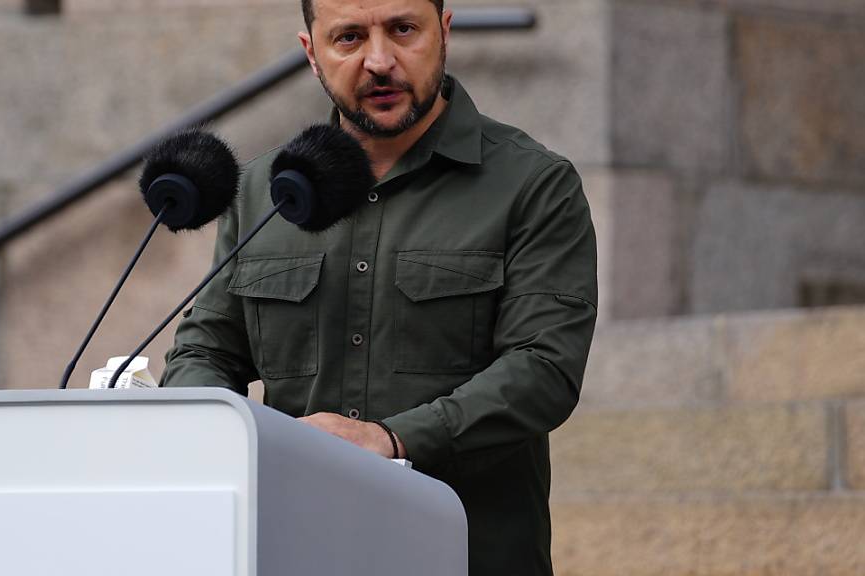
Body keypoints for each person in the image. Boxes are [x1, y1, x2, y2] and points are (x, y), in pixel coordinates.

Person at [160, 0, 598, 573]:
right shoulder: (261, 193)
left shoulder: (535, 185)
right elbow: (204, 349)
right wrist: (222, 437)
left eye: (403, 30)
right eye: (348, 38)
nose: (380, 60)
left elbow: (544, 369)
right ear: (311, 54)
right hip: (294, 549)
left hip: (466, 554)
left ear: (443, 33)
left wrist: (393, 441)